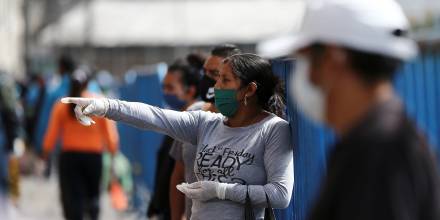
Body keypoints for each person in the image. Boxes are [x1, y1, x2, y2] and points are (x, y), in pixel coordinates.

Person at [261, 0, 440, 219]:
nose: (306, 75)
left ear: (334, 58)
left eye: (305, 59)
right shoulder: (379, 138)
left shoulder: (378, 149)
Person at [63, 53, 294, 220]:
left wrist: (221, 190)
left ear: (249, 90)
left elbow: (280, 194)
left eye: (225, 80)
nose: (216, 87)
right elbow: (154, 116)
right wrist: (103, 106)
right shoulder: (205, 123)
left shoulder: (273, 130)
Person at [168, 45, 242, 220]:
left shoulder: (249, 122)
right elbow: (178, 174)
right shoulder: (193, 115)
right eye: (205, 72)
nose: (209, 81)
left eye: (215, 74)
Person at [42, 68, 119, 220]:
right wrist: (112, 151)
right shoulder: (99, 102)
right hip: (93, 158)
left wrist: (46, 151)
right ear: (88, 83)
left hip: (69, 158)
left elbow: (51, 133)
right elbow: (110, 133)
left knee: (72, 198)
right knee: (93, 196)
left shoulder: (62, 105)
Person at [148, 55, 204, 220]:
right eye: (163, 87)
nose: (165, 93)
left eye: (170, 88)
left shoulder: (197, 126)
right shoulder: (174, 123)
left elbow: (180, 175)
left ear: (190, 90)